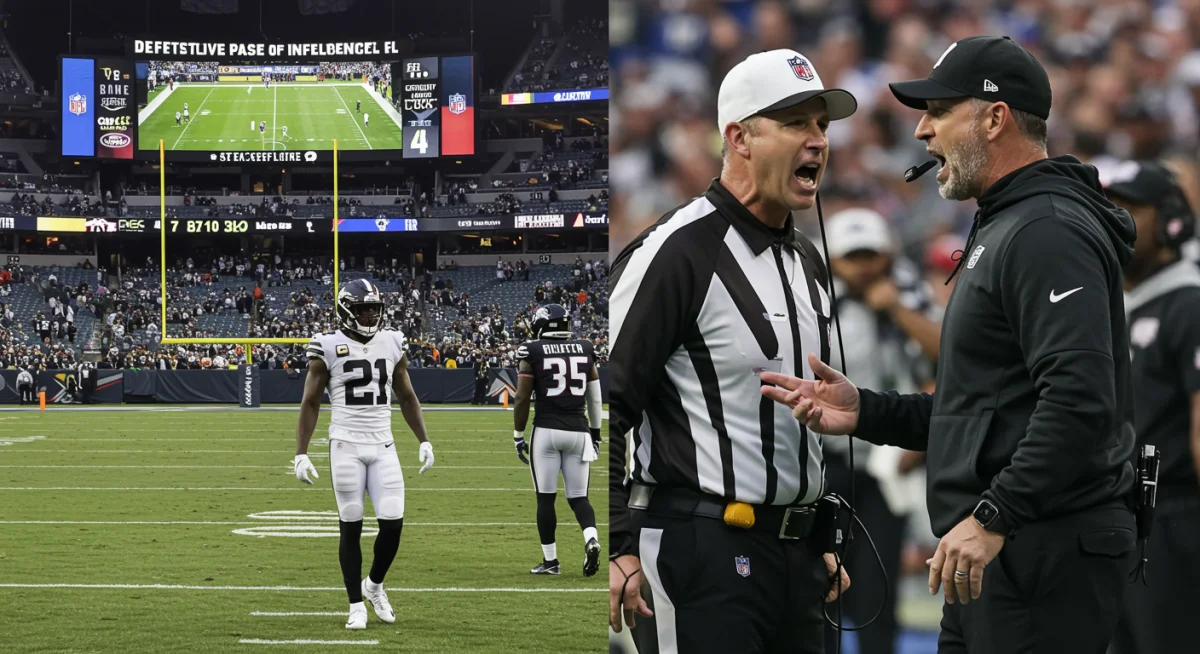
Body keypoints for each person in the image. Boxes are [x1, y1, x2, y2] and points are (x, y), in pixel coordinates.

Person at [762, 35, 1139, 654]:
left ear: (994, 118)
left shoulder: (1046, 229)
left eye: (939, 111)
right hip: (1003, 549)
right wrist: (867, 411)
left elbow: (1080, 400)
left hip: (1037, 547)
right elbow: (986, 409)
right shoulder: (1009, 221)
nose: (921, 130)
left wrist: (997, 515)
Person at [609, 49, 856, 653]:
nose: (818, 140)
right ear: (739, 138)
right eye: (795, 122)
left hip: (796, 558)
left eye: (822, 124)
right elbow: (607, 401)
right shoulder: (675, 252)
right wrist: (617, 544)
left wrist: (814, 528)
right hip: (703, 549)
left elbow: (797, 419)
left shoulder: (807, 259)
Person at [818, 207, 940, 654]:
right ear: (832, 259)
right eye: (852, 257)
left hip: (887, 468)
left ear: (888, 255)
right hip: (825, 465)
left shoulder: (910, 295)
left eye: (871, 255)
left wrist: (895, 309)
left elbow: (948, 361)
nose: (863, 266)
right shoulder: (812, 303)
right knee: (822, 587)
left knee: (876, 588)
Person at [292, 279, 435, 630]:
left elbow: (407, 396)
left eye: (374, 309)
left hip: (384, 443)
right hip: (346, 444)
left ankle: (373, 585)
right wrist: (301, 452)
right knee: (351, 523)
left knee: (393, 523)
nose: (370, 315)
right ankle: (355, 604)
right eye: (362, 309)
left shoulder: (392, 341)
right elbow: (310, 401)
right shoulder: (327, 344)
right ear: (345, 311)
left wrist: (424, 440)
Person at [1101, 161, 1200, 654]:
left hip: (1175, 518)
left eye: (1130, 209)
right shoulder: (1116, 304)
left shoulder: (1188, 304)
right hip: (1120, 518)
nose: (1116, 221)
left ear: (1172, 222)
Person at [513, 303, 603, 576]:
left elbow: (522, 397)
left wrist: (518, 435)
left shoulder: (532, 350)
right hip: (579, 430)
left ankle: (551, 562)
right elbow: (595, 398)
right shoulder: (585, 348)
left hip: (547, 431)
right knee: (579, 498)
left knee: (545, 499)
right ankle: (591, 539)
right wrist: (596, 433)